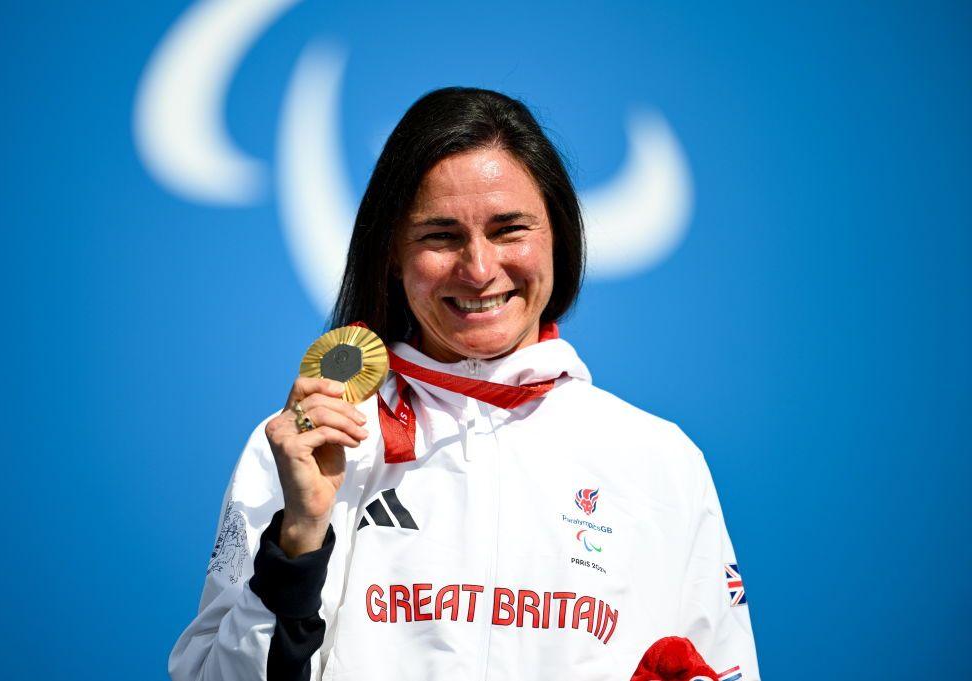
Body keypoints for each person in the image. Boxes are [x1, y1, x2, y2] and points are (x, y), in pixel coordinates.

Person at [169, 87, 760, 681]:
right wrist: (298, 537)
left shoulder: (659, 463)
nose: (478, 270)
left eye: (509, 229)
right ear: (391, 255)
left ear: (559, 236)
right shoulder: (306, 445)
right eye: (441, 236)